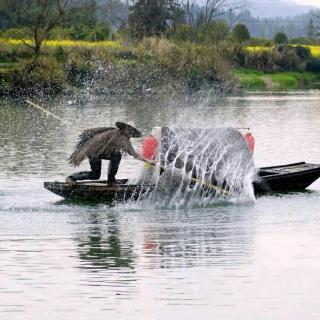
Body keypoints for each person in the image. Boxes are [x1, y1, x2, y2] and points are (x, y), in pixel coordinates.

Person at [67, 122, 148, 184]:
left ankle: (111, 179)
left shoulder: (121, 136)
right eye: (129, 129)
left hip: (98, 153)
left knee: (116, 155)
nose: (130, 131)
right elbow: (134, 154)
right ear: (124, 128)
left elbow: (133, 153)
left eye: (132, 130)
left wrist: (147, 161)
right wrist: (148, 161)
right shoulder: (119, 136)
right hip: (94, 153)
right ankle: (72, 178)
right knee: (95, 175)